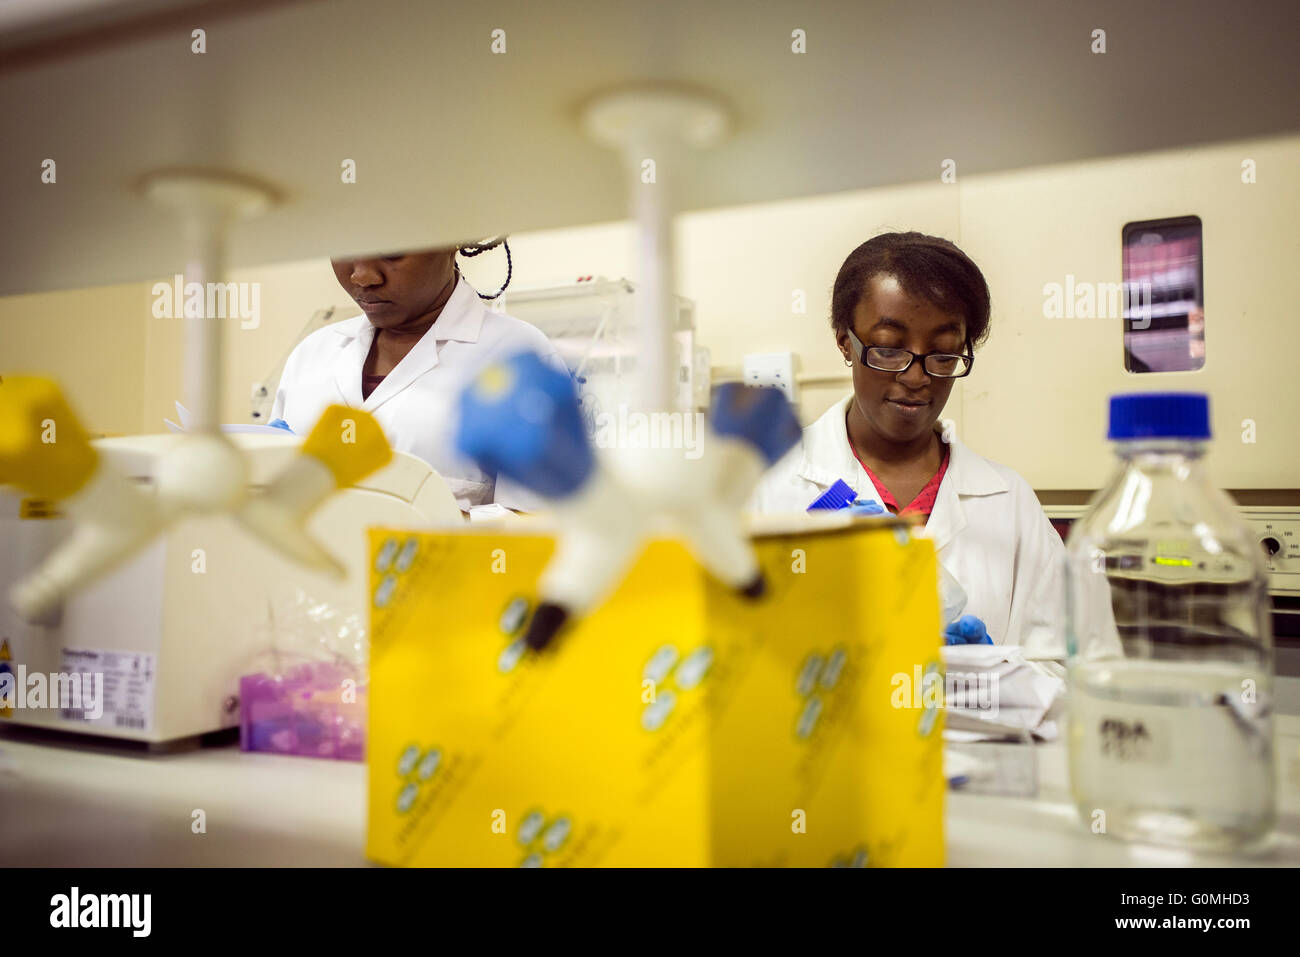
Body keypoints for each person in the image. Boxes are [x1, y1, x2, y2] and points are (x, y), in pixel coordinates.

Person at [751, 232, 1065, 657]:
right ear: (846, 339)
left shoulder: (1010, 503)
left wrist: (996, 676)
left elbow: (1065, 672)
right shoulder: (769, 486)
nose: (916, 377)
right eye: (889, 349)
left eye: (942, 353)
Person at [272, 240, 561, 510]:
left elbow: (537, 524)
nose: (362, 276)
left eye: (392, 249)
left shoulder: (516, 355)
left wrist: (424, 522)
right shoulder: (311, 354)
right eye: (345, 247)